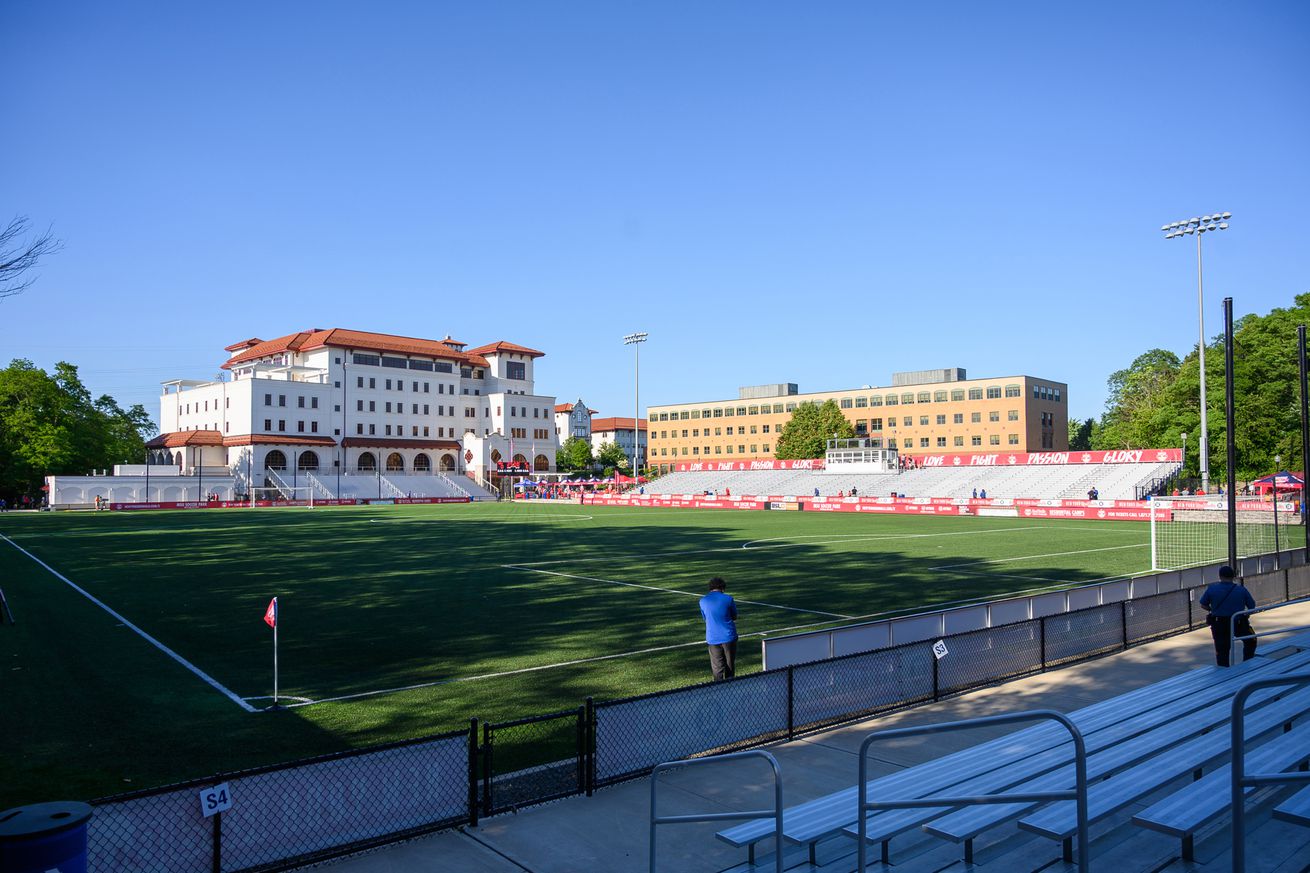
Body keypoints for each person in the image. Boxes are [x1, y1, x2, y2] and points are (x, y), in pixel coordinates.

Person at [1199, 565, 1257, 666]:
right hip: (1239, 622)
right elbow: (1252, 606)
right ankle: (1247, 664)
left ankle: (1224, 673)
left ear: (1220, 576)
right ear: (1233, 576)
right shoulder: (1241, 590)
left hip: (1219, 624)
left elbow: (1203, 605)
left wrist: (1213, 610)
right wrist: (1244, 615)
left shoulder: (1212, 589)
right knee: (1251, 640)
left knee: (1222, 651)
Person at [699, 577, 738, 681]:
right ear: (722, 587)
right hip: (728, 636)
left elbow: (705, 618)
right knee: (729, 665)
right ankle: (730, 687)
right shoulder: (728, 598)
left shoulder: (703, 601)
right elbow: (734, 616)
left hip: (713, 638)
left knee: (717, 668)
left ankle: (718, 690)